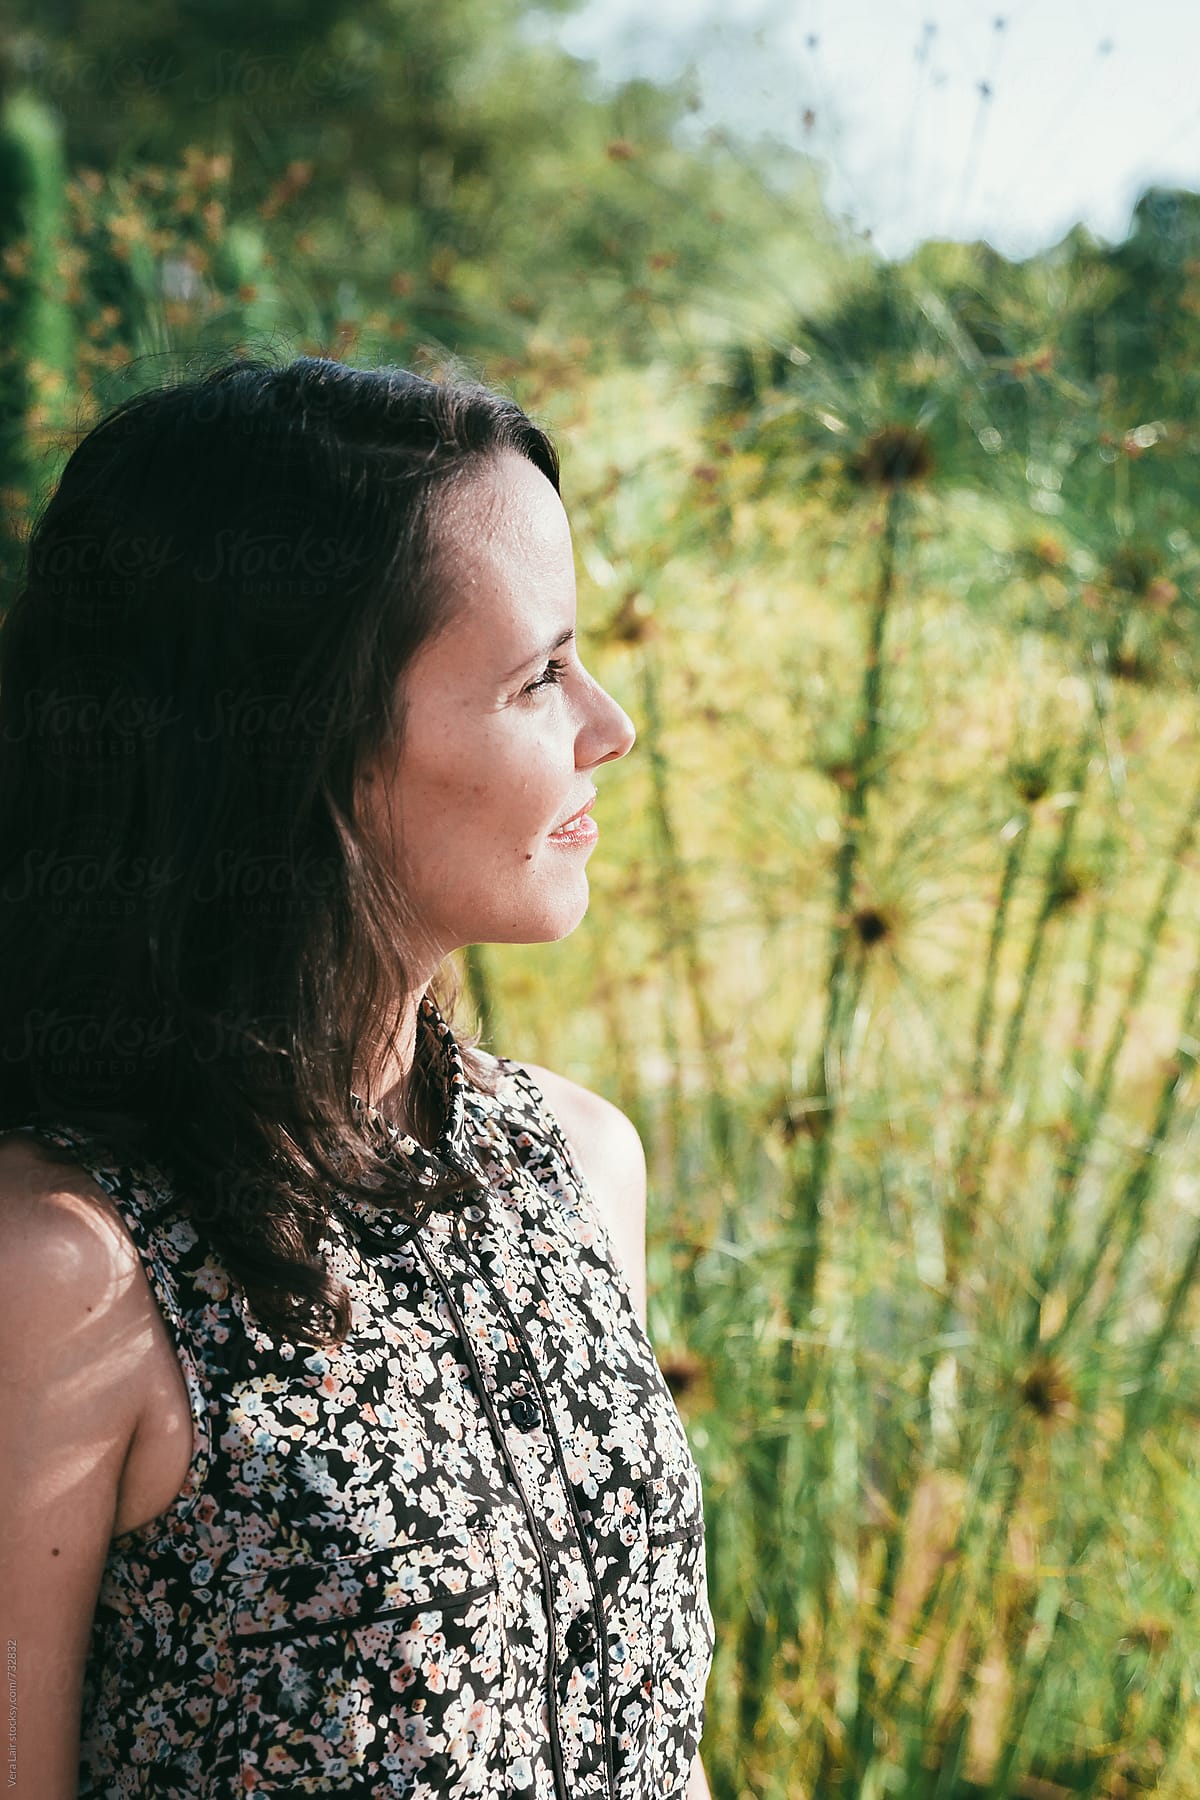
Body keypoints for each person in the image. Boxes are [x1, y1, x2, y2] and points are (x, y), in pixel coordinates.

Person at [0, 356, 715, 1799]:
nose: (609, 724)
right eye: (536, 677)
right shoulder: (62, 1274)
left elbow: (658, 1737)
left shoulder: (579, 1167)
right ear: (295, 743)